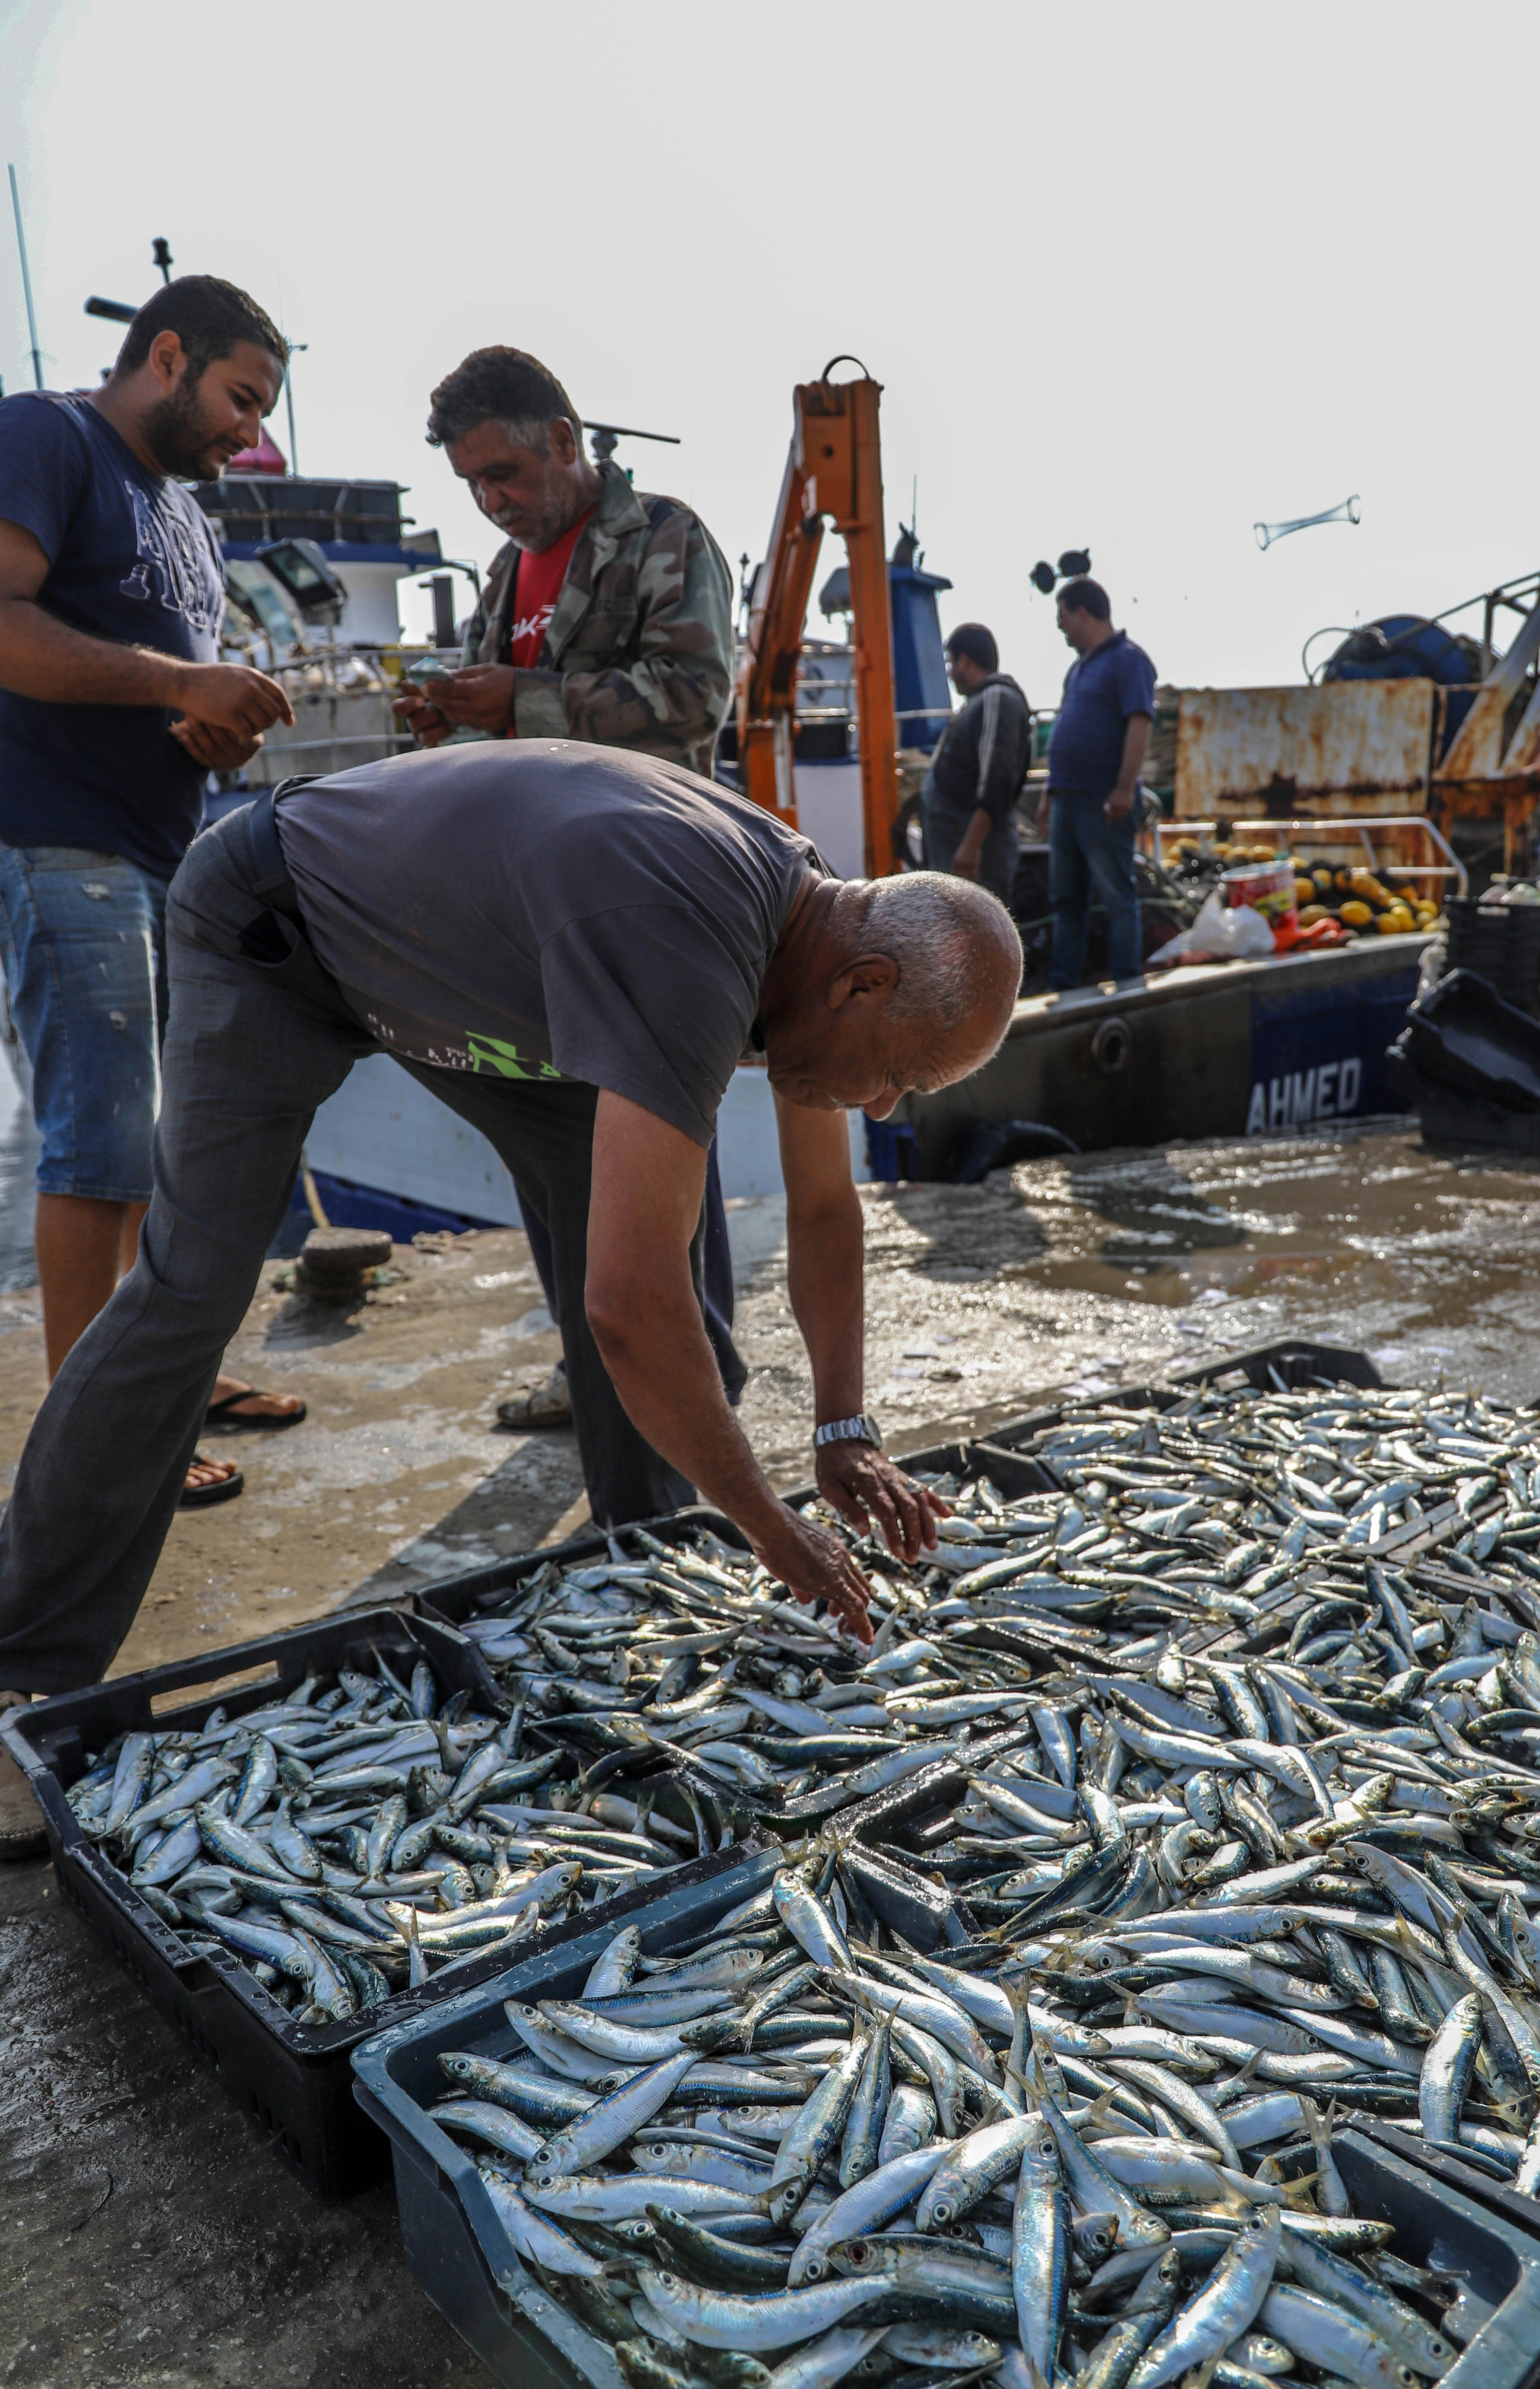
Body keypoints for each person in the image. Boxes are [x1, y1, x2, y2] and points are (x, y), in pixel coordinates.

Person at [0, 740, 1022, 1855]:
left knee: (658, 1256)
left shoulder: (807, 935)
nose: (879, 1108)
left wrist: (841, 1426)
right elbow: (625, 1309)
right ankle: (19, 1666)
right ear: (862, 983)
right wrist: (769, 1523)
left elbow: (825, 1212)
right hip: (276, 920)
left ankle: (643, 1565)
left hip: (476, 976)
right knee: (191, 1288)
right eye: (900, 1078)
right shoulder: (692, 935)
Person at [0, 276, 309, 1527]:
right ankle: (99, 1438)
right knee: (101, 1146)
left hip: (164, 847)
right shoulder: (45, 435)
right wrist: (183, 674)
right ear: (166, 355)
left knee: (177, 1144)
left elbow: (154, 686)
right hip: (57, 840)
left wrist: (202, 725)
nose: (248, 433)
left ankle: (157, 1375)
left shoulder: (188, 515)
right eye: (240, 400)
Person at [392, 346, 740, 1434]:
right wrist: (453, 713)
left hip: (645, 889)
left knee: (662, 1148)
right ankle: (590, 1369)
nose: (491, 503)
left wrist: (521, 697)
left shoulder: (668, 539)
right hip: (531, 905)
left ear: (562, 441)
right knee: (557, 1151)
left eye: (502, 474)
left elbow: (693, 697)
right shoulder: (506, 576)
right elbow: (506, 708)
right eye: (472, 488)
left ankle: (703, 1380)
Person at [1045, 577, 1156, 990]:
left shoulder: (1130, 660)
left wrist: (1124, 788)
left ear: (1082, 613)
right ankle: (1064, 985)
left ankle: (1128, 983)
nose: (1061, 627)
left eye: (1063, 617)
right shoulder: (1077, 669)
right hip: (1066, 801)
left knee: (1116, 896)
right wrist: (1048, 798)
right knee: (1065, 899)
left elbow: (1139, 722)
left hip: (1102, 801)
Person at [918, 622, 1031, 903]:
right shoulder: (979, 702)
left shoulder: (997, 699)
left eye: (951, 662)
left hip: (975, 858)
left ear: (964, 661)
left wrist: (970, 846)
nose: (949, 672)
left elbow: (997, 778)